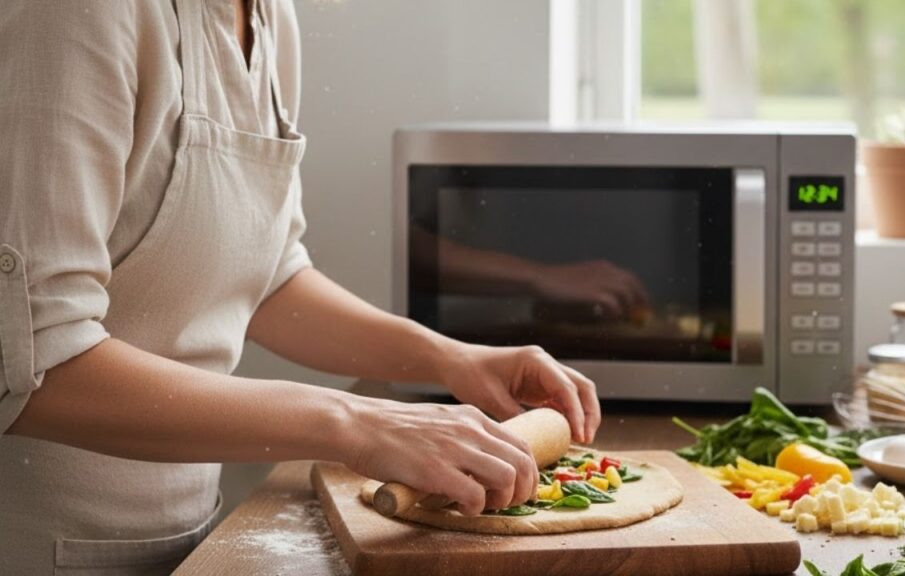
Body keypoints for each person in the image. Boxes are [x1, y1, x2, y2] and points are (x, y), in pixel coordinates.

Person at [0, 1, 600, 573]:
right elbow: (38, 361)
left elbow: (265, 277)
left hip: (184, 537)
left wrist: (449, 357)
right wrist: (356, 423)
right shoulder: (72, 14)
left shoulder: (268, 15)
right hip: (32, 544)